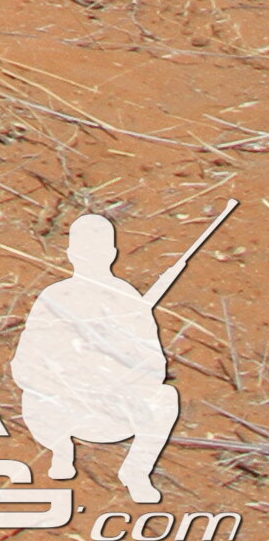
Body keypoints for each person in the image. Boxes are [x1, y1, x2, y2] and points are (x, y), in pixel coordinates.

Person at [13, 213, 188, 503]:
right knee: (32, 397)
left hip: (112, 413)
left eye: (96, 250)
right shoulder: (54, 297)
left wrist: (121, 382)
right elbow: (25, 363)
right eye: (84, 250)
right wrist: (63, 381)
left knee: (165, 398)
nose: (90, 257)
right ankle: (60, 451)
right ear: (71, 254)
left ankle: (136, 471)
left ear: (111, 254)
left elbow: (154, 366)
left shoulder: (128, 300)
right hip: (62, 411)